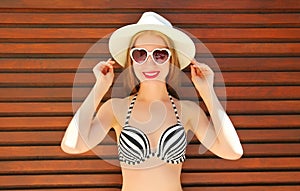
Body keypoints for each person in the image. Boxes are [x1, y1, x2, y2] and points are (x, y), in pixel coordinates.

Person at [61, 12, 243, 191]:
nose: (150, 63)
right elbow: (72, 145)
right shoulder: (116, 108)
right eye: (140, 54)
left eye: (160, 54)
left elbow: (232, 151)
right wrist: (99, 88)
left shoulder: (187, 110)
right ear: (131, 61)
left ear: (171, 59)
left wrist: (207, 91)